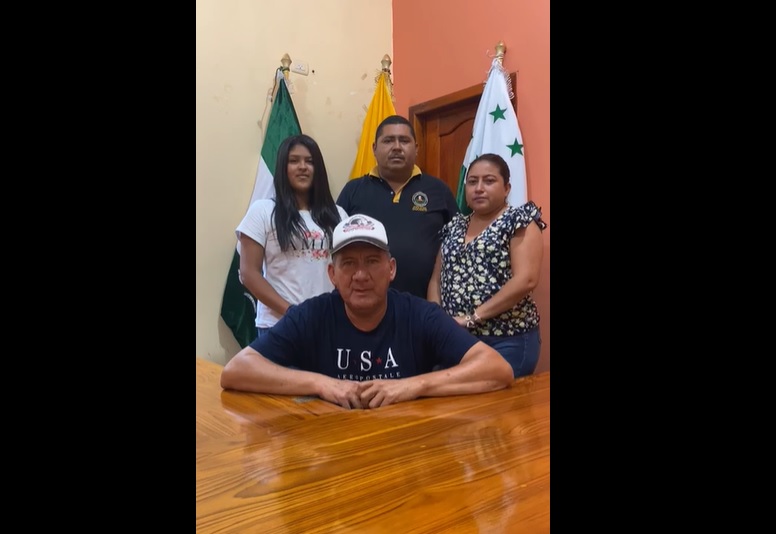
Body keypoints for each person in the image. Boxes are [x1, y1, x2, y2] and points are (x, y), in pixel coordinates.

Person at [221, 213, 514, 409]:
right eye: (349, 264)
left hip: (406, 446)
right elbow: (236, 371)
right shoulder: (310, 315)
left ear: (391, 269)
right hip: (330, 446)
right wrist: (321, 384)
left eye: (372, 261)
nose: (361, 275)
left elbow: (497, 370)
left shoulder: (421, 315)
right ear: (333, 274)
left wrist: (413, 386)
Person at [427, 154, 547, 378]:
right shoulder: (455, 226)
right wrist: (438, 320)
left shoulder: (518, 221)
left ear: (507, 188)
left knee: (493, 399)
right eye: (472, 182)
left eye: (489, 181)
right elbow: (436, 278)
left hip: (506, 339)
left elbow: (526, 279)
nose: (479, 188)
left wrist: (472, 318)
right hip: (457, 338)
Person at [236, 134, 349, 336]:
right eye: (294, 161)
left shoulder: (338, 214)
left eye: (310, 161)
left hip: (327, 324)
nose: (302, 167)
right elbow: (248, 273)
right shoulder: (263, 211)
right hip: (278, 325)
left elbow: (347, 269)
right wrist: (292, 313)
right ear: (283, 167)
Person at [336, 115, 459, 299]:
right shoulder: (353, 191)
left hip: (426, 305)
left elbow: (458, 243)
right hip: (364, 303)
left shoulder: (438, 190)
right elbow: (336, 246)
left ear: (416, 148)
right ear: (374, 148)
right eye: (388, 141)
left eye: (404, 140)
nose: (396, 147)